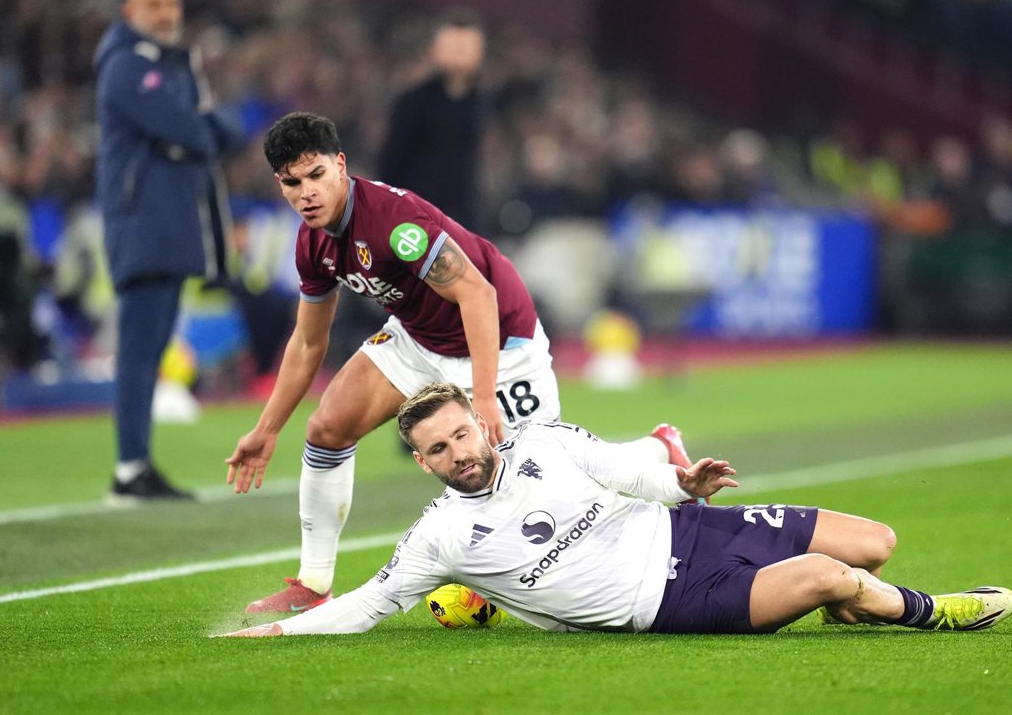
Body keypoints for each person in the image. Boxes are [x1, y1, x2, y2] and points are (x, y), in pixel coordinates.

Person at [224, 113, 684, 614]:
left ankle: (658, 448)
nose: (306, 193)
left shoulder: (394, 223)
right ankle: (314, 585)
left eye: (316, 175)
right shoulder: (312, 244)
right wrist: (267, 429)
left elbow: (478, 295)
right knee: (327, 428)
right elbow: (308, 342)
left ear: (340, 165)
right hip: (418, 337)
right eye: (292, 183)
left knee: (547, 482)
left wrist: (482, 397)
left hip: (499, 343)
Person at [220, 382, 1012, 638]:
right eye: (438, 449)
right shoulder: (441, 537)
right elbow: (366, 605)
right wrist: (279, 632)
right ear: (423, 462)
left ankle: (854, 601)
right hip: (674, 600)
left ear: (479, 426)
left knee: (876, 541)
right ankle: (935, 612)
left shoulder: (543, 440)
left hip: (693, 528)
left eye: (461, 433)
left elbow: (634, 475)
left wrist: (685, 484)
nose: (457, 451)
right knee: (828, 574)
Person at [95, 0, 243, 501]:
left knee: (151, 349)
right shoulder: (126, 65)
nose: (165, 15)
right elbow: (189, 129)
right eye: (153, 4)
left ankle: (136, 465)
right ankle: (129, 468)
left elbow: (203, 131)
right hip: (143, 224)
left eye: (171, 4)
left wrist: (204, 129)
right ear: (129, 12)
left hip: (170, 224)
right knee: (139, 351)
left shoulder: (169, 64)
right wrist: (209, 128)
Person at [376, 9, 487, 233]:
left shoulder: (479, 102)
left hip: (461, 213)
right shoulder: (414, 101)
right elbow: (392, 160)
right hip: (416, 212)